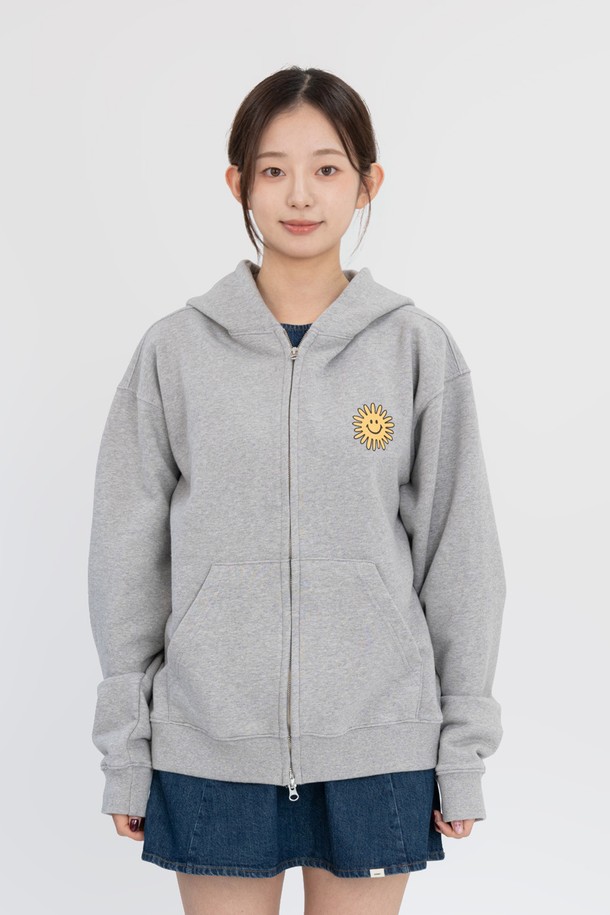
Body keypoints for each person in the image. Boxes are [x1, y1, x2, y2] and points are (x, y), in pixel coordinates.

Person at [88, 66, 507, 915]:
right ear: (238, 183)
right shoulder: (175, 352)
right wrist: (128, 749)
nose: (301, 195)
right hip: (210, 742)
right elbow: (125, 563)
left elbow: (460, 558)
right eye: (274, 170)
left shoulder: (415, 349)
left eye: (327, 168)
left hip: (378, 744)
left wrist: (462, 751)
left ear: (368, 182)